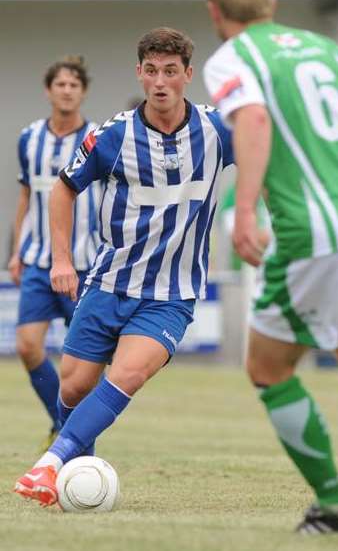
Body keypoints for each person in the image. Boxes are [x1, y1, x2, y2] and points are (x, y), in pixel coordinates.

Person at [203, 0, 338, 535]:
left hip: (314, 228)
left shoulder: (232, 58)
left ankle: (336, 507)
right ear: (273, 4)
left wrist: (242, 215)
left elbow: (254, 122)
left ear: (214, 11)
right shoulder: (326, 49)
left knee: (268, 367)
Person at [14, 27, 234, 506]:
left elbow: (263, 148)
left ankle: (49, 466)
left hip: (171, 296)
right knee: (72, 388)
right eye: (151, 71)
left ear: (187, 76)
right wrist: (63, 260)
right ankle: (75, 472)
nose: (160, 82)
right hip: (109, 283)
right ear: (140, 72)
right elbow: (63, 188)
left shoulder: (218, 130)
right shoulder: (111, 136)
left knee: (128, 376)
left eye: (171, 72)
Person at [8, 56, 100, 450]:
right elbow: (25, 196)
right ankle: (61, 422)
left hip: (84, 264)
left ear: (83, 92)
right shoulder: (30, 138)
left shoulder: (100, 136)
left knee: (81, 365)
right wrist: (16, 252)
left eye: (73, 84)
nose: (66, 90)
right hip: (38, 263)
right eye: (59, 84)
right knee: (28, 345)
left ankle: (75, 436)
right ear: (48, 91)